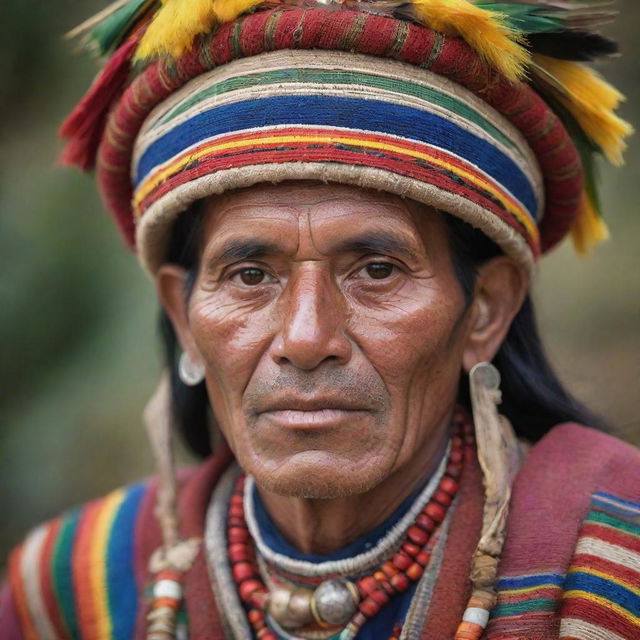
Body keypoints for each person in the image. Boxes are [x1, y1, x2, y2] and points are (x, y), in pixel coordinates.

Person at [2, 1, 639, 639]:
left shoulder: (616, 556)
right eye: (251, 276)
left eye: (377, 270)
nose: (307, 339)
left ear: (485, 308)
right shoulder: (70, 590)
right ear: (183, 315)